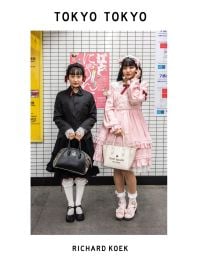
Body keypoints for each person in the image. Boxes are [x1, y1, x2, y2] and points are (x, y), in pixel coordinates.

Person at [93, 56, 152, 220]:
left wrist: (134, 82)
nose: (127, 70)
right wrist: (114, 125)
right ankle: (121, 202)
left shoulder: (142, 86)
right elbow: (109, 106)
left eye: (131, 67)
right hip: (115, 128)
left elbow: (135, 100)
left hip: (132, 129)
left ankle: (132, 202)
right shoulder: (114, 85)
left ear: (137, 69)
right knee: (116, 166)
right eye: (125, 67)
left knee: (127, 168)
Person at [46, 63, 99, 222]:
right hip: (65, 140)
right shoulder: (60, 96)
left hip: (84, 141)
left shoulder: (89, 96)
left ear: (83, 78)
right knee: (67, 175)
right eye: (72, 76)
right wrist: (67, 129)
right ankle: (70, 205)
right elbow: (57, 117)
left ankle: (78, 204)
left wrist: (83, 129)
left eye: (78, 76)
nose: (76, 79)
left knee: (82, 174)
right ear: (67, 77)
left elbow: (92, 116)